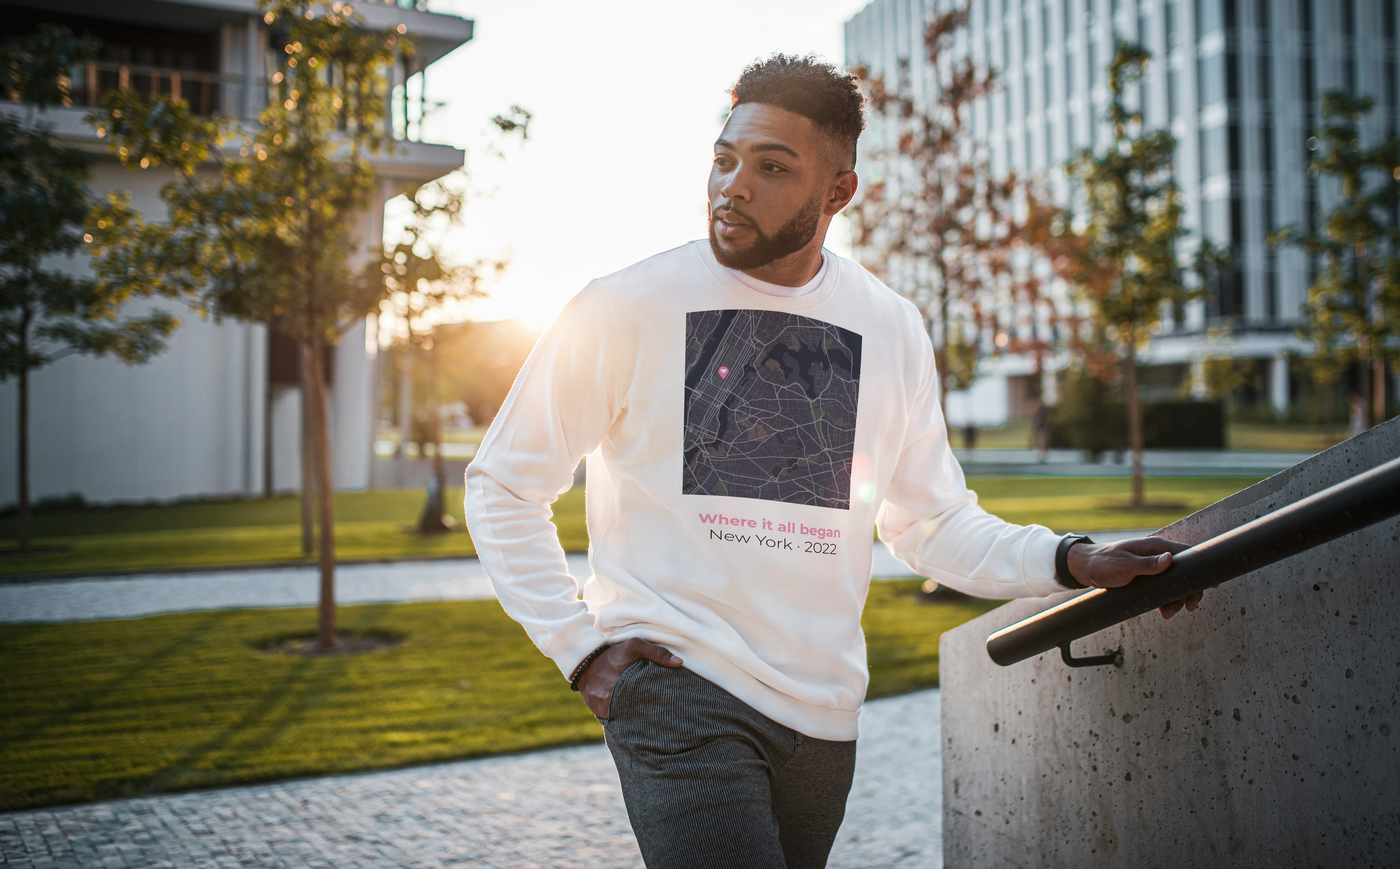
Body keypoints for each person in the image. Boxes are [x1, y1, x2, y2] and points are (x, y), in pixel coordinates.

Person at [463, 54, 1202, 869]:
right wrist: (579, 646)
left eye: (771, 167)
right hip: (678, 690)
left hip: (824, 717)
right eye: (724, 157)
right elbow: (502, 483)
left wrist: (1073, 558)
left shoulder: (889, 325)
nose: (733, 185)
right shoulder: (624, 305)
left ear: (838, 193)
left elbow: (930, 523)